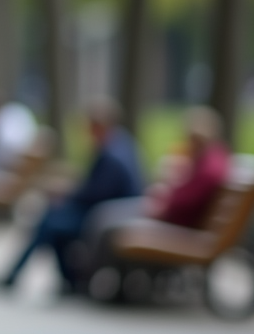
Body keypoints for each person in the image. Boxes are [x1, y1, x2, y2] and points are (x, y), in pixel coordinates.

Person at [0, 98, 143, 295]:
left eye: (88, 126)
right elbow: (97, 188)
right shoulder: (121, 143)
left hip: (104, 217)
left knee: (50, 224)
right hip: (109, 213)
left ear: (98, 126)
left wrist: (66, 194)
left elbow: (95, 194)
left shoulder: (110, 155)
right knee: (51, 219)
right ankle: (65, 280)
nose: (86, 132)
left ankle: (34, 277)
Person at [80, 106, 230, 279]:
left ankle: (92, 277)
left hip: (174, 223)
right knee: (104, 214)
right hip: (168, 214)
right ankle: (100, 276)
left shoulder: (210, 167)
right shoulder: (206, 158)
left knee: (107, 222)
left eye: (191, 138)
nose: (187, 143)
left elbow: (186, 200)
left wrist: (166, 197)